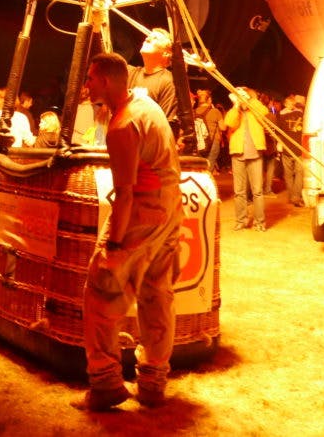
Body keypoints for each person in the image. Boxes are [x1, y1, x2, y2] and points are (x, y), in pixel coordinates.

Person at [79, 51, 182, 411]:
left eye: (90, 78)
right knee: (157, 294)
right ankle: (153, 383)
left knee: (101, 293)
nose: (87, 84)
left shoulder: (122, 126)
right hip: (170, 208)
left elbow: (124, 194)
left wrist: (114, 244)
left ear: (105, 82)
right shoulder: (147, 104)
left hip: (143, 209)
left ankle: (106, 382)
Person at [224, 87, 268, 231]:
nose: (241, 99)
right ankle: (241, 220)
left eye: (243, 96)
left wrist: (250, 100)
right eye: (238, 96)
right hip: (238, 154)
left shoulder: (255, 110)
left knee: (257, 191)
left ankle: (259, 222)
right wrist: (236, 105)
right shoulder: (234, 112)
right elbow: (229, 124)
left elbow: (264, 113)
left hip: (255, 154)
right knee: (239, 191)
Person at [127, 28, 178, 123]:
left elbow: (163, 125)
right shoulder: (129, 72)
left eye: (155, 38)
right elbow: (101, 63)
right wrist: (96, 28)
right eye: (148, 36)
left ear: (166, 53)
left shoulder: (169, 82)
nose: (147, 39)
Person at [277, 93, 307, 206]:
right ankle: (296, 196)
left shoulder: (280, 116)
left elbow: (278, 132)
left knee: (288, 175)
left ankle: (291, 196)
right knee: (299, 173)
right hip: (298, 148)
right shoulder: (301, 114)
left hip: (287, 148)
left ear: (285, 104)